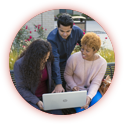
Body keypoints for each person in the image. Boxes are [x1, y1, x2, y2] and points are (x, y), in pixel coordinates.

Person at [14, 39, 63, 115]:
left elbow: (55, 72)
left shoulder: (48, 60)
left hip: (46, 98)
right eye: (44, 59)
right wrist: (37, 101)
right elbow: (21, 88)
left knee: (58, 114)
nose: (46, 60)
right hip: (28, 100)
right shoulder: (19, 65)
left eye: (47, 57)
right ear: (35, 58)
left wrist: (58, 84)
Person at [64, 32, 107, 114]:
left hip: (92, 90)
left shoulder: (102, 63)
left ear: (95, 51)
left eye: (87, 51)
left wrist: (89, 96)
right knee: (83, 110)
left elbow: (96, 83)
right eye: (82, 48)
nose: (83, 52)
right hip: (75, 91)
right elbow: (67, 75)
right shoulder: (74, 58)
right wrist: (73, 86)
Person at [47, 13, 84, 92]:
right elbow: (55, 60)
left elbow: (85, 47)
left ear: (72, 28)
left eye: (68, 31)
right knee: (58, 90)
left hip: (69, 64)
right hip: (55, 66)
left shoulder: (77, 32)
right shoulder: (51, 39)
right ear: (57, 27)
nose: (65, 34)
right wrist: (58, 84)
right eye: (61, 31)